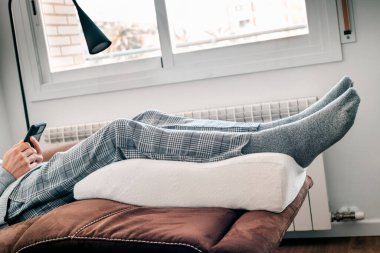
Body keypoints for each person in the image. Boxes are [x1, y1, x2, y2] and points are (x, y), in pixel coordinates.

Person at [0, 77, 360, 228]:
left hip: (26, 180)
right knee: (119, 134)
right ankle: (272, 143)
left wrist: (42, 153)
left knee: (144, 118)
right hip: (11, 204)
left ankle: (271, 128)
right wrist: (7, 172)